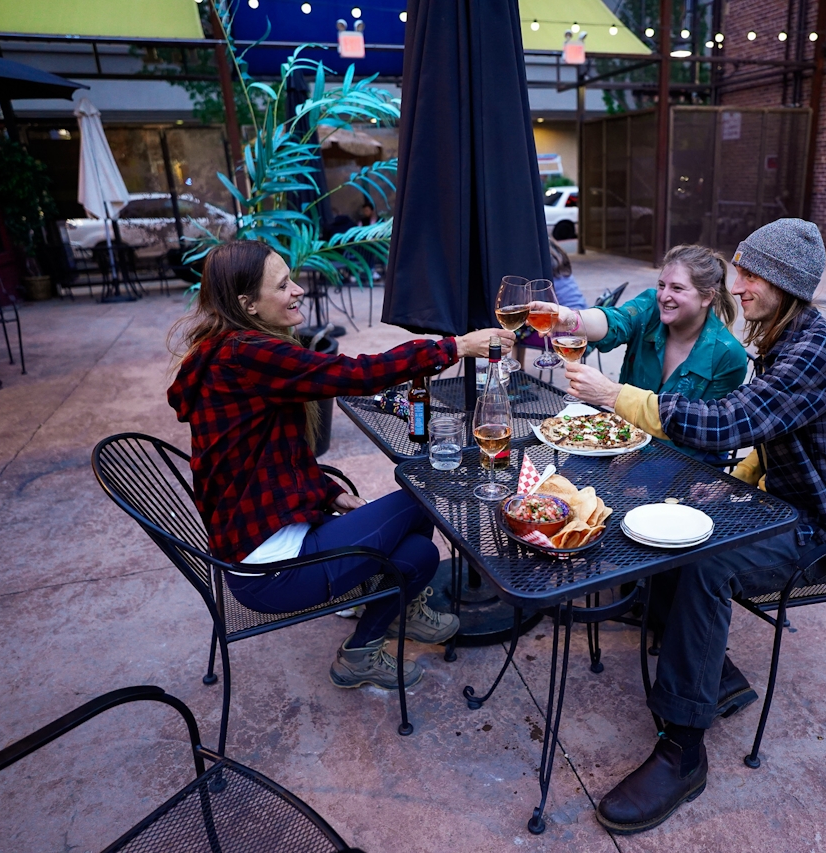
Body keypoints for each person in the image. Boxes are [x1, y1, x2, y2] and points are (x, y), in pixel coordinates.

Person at [565, 219, 826, 834]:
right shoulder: (788, 339)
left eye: (752, 274)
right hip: (779, 505)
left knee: (706, 562)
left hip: (824, 530)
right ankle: (717, 675)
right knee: (673, 520)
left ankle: (684, 749)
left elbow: (732, 420)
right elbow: (775, 432)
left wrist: (614, 395)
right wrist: (743, 480)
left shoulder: (815, 350)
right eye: (741, 270)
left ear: (786, 283)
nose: (739, 285)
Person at [167, 240, 514, 691]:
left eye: (292, 279)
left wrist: (328, 493)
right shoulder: (245, 355)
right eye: (283, 285)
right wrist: (455, 347)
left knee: (421, 555)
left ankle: (388, 620)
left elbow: (268, 457)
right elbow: (354, 375)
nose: (297, 291)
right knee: (426, 493)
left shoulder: (226, 352)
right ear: (246, 304)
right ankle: (361, 655)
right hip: (270, 572)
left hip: (272, 537)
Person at [539, 243, 748, 460]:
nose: (664, 296)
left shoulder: (728, 355)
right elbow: (615, 320)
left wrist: (636, 463)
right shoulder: (650, 307)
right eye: (661, 285)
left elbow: (707, 433)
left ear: (707, 297)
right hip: (617, 439)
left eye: (677, 288)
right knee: (559, 479)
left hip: (684, 465)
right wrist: (571, 318)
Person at [515, 239, 588, 367]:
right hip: (583, 318)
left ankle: (518, 371)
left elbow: (531, 304)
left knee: (515, 333)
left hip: (566, 329)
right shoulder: (561, 263)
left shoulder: (542, 273)